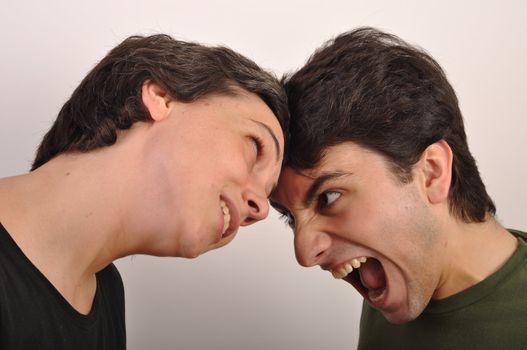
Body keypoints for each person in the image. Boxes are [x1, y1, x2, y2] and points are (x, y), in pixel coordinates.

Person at [0, 34, 288, 349]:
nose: (259, 208)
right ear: (160, 96)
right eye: (255, 146)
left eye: (266, 192)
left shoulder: (108, 293)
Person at [270, 27, 526, 349]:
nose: (305, 253)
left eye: (329, 197)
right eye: (291, 218)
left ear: (431, 172)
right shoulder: (400, 276)